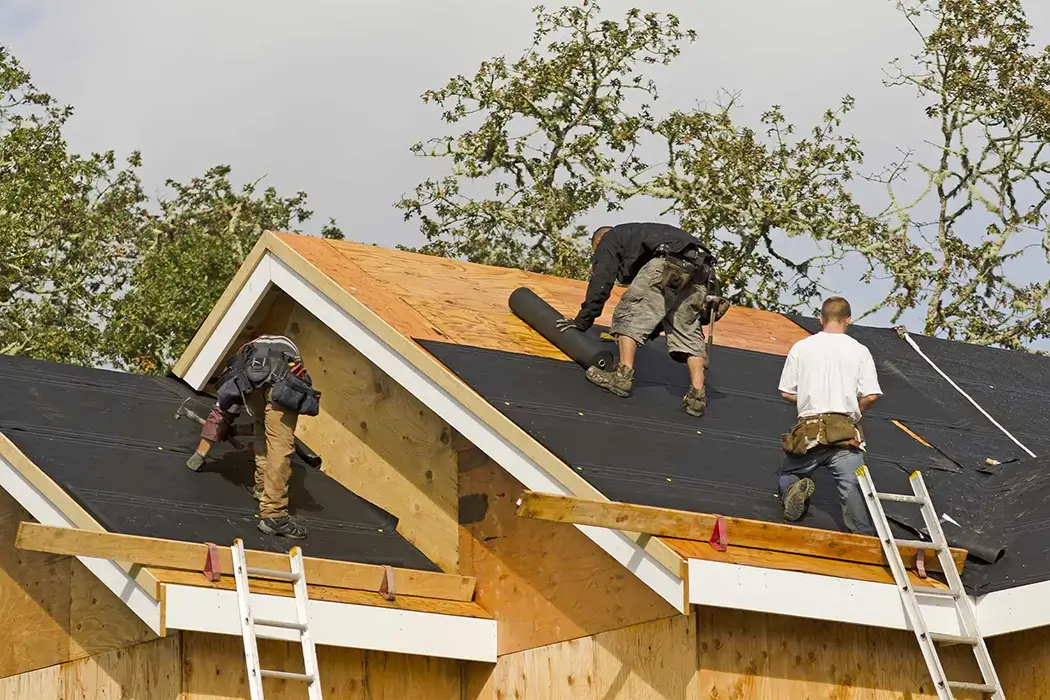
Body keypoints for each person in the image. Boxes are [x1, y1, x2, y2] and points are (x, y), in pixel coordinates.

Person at [555, 222, 728, 417]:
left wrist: (582, 321)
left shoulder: (611, 238)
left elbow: (602, 281)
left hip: (668, 263)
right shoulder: (646, 235)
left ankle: (622, 377)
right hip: (702, 273)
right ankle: (697, 397)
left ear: (598, 242)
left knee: (629, 313)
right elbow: (659, 307)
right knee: (688, 332)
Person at [185, 334, 321, 539]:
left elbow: (221, 413)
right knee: (279, 445)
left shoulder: (244, 366)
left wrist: (200, 454)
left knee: (261, 427)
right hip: (282, 381)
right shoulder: (288, 358)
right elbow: (274, 430)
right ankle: (274, 514)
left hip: (256, 383)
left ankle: (261, 488)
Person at [776, 297, 881, 535]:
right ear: (848, 320)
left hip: (809, 429)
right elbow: (872, 395)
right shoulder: (859, 351)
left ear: (820, 319)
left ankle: (793, 487)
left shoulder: (802, 347)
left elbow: (786, 391)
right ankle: (863, 535)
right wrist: (855, 411)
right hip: (844, 430)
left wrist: (807, 402)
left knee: (790, 473)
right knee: (852, 485)